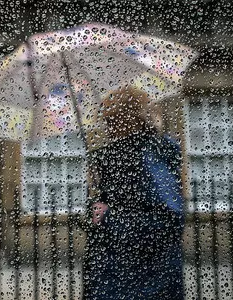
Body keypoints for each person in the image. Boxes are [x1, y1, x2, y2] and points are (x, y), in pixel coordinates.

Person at [83, 87, 185, 299]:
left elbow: (170, 220)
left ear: (130, 120)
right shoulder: (116, 157)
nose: (108, 129)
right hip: (113, 278)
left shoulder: (152, 156)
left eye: (112, 121)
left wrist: (107, 217)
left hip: (145, 283)